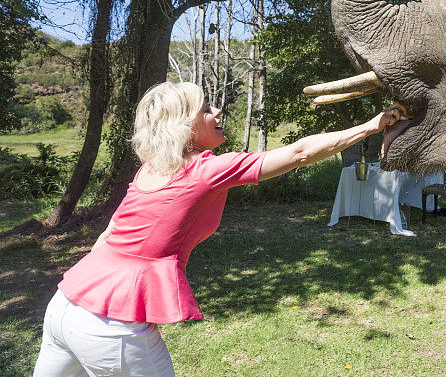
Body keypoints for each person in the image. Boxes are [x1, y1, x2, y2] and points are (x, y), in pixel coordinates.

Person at [33, 81, 409, 376]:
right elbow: (299, 153)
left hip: (65, 306)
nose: (217, 111)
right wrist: (373, 125)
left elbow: (107, 235)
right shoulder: (205, 170)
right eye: (205, 108)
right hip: (111, 325)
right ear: (185, 127)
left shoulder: (150, 168)